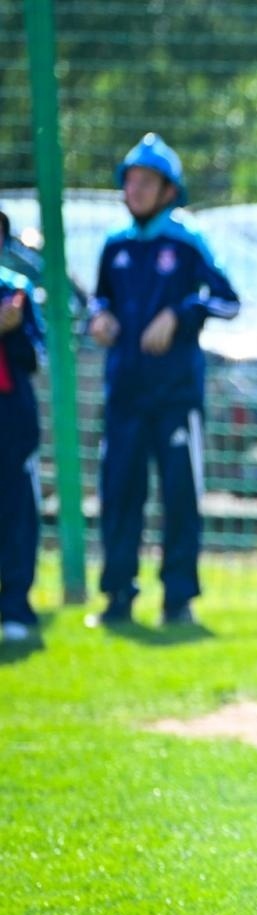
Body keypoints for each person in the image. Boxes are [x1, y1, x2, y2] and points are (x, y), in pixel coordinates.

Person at [86, 133, 239, 628]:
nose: (135, 190)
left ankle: (179, 599)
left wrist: (179, 313)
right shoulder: (115, 245)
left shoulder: (186, 240)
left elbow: (227, 300)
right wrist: (100, 318)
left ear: (169, 189)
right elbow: (98, 299)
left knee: (179, 495)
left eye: (146, 181)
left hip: (175, 395)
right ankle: (117, 597)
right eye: (129, 180)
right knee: (119, 494)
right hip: (125, 393)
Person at [0, 210, 44, 642]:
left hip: (11, 417)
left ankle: (15, 605)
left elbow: (37, 355)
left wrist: (12, 329)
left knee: (16, 512)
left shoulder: (15, 291)